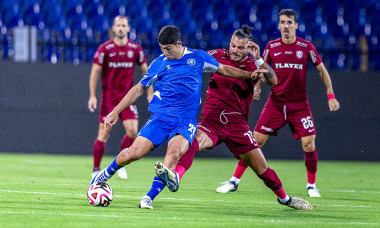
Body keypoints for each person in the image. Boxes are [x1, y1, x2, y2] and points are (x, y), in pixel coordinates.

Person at [139, 25, 313, 210]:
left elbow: (273, 80)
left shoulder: (254, 64)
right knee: (191, 143)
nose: (235, 50)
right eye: (232, 45)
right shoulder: (215, 55)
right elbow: (189, 60)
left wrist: (259, 59)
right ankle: (171, 180)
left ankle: (284, 198)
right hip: (211, 121)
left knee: (262, 169)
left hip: (237, 125)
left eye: (240, 47)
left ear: (249, 47)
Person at [90, 25, 263, 196]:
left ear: (179, 44)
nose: (165, 52)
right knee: (134, 153)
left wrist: (250, 75)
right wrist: (115, 111)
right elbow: (138, 89)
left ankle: (148, 198)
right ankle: (105, 173)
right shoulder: (159, 63)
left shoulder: (198, 57)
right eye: (162, 49)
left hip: (185, 121)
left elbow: (224, 69)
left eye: (168, 48)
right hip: (161, 118)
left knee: (173, 155)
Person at [216, 9, 340, 198]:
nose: (286, 26)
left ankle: (311, 185)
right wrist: (256, 86)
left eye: (289, 22)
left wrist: (330, 95)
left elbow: (322, 70)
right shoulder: (272, 47)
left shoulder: (306, 47)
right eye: (282, 22)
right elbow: (260, 68)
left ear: (296, 25)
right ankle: (234, 181)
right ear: (279, 25)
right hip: (275, 103)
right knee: (254, 142)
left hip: (299, 105)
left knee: (309, 143)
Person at [88, 16, 152, 179]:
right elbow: (95, 71)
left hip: (127, 99)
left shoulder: (135, 49)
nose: (121, 28)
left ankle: (119, 163)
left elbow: (146, 71)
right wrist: (92, 96)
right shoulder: (105, 49)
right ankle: (96, 169)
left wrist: (150, 92)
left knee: (132, 131)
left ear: (128, 28)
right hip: (109, 99)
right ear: (114, 28)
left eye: (124, 25)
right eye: (118, 25)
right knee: (103, 135)